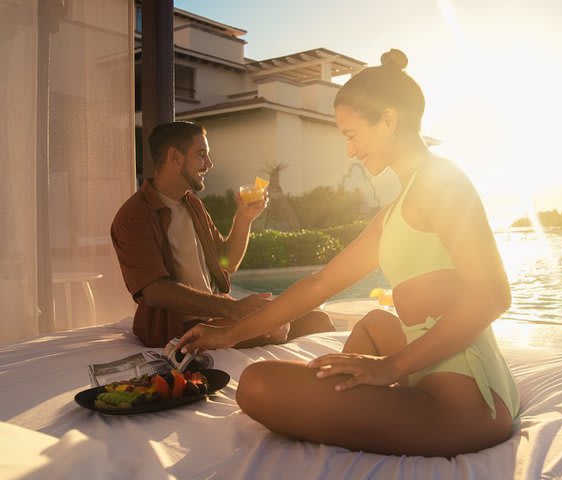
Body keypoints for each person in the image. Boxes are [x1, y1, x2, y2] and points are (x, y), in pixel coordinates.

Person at [177, 49, 519, 457]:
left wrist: (390, 367)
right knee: (374, 323)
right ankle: (342, 399)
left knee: (257, 384)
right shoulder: (398, 207)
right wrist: (227, 335)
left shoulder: (441, 182)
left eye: (352, 135)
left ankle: (344, 400)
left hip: (465, 402)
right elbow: (319, 284)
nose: (350, 151)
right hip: (442, 371)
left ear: (389, 120)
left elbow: (494, 294)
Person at [111, 121, 334, 348]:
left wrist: (244, 217)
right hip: (179, 330)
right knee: (303, 325)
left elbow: (228, 261)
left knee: (317, 318)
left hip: (216, 319)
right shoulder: (134, 217)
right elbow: (156, 291)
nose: (209, 163)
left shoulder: (191, 204)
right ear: (175, 157)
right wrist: (233, 309)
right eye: (201, 155)